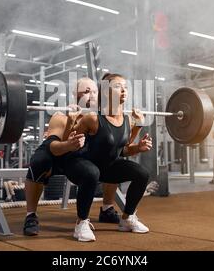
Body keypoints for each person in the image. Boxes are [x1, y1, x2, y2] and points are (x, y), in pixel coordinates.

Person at [23, 77, 142, 237]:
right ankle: (30, 215)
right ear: (75, 95)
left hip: (81, 160)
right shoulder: (61, 117)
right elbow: (55, 149)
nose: (92, 95)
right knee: (40, 160)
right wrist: (70, 136)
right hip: (58, 156)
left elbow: (121, 148)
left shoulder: (100, 119)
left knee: (111, 157)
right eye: (86, 92)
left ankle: (107, 209)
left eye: (94, 91)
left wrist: (137, 136)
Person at [61, 73, 152, 241]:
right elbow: (68, 145)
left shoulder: (126, 119)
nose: (124, 90)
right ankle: (81, 223)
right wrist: (70, 122)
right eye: (118, 86)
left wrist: (138, 139)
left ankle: (127, 218)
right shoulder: (92, 118)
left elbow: (121, 149)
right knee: (91, 172)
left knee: (142, 174)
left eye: (125, 87)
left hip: (105, 167)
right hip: (79, 164)